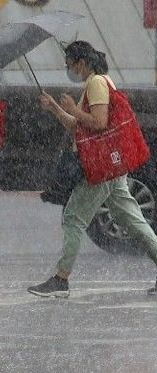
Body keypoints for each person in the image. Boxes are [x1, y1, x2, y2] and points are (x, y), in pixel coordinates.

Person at [28, 40, 157, 298]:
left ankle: (61, 279)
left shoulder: (96, 83)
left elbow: (98, 123)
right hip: (110, 164)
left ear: (82, 63)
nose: (69, 69)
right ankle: (60, 279)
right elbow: (78, 126)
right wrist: (55, 107)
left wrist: (74, 109)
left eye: (70, 64)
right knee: (133, 221)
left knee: (74, 217)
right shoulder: (99, 83)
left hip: (101, 166)